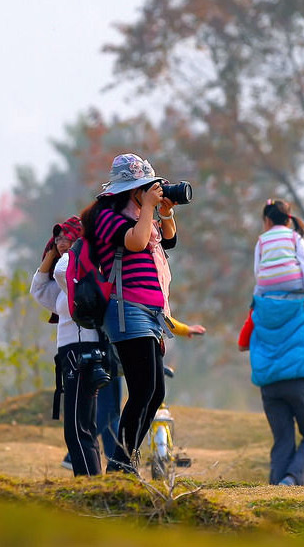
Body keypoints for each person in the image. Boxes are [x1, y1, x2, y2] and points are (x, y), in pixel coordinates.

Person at [81, 152, 205, 474]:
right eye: (145, 188)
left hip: (151, 313)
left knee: (154, 390)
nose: (151, 191)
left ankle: (125, 457)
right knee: (142, 389)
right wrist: (149, 208)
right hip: (127, 310)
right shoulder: (109, 216)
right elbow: (135, 243)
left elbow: (169, 240)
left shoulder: (141, 215)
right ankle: (121, 464)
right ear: (131, 190)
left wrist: (164, 212)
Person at [30, 216, 122, 476]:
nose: (60, 243)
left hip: (83, 351)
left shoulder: (81, 277)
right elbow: (38, 290)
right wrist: (51, 253)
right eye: (56, 238)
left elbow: (61, 271)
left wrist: (76, 249)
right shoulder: (67, 287)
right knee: (81, 427)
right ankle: (91, 481)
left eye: (65, 237)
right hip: (71, 352)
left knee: (78, 428)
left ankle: (90, 483)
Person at [239, 277, 304, 486]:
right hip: (301, 379)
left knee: (282, 440)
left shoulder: (259, 306)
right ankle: (292, 478)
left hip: (270, 384)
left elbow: (242, 343)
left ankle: (277, 487)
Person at [253, 198, 304, 353]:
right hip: (292, 281)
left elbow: (258, 268)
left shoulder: (261, 241)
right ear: (288, 221)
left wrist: (261, 289)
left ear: (268, 221)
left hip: (267, 285)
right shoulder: (294, 237)